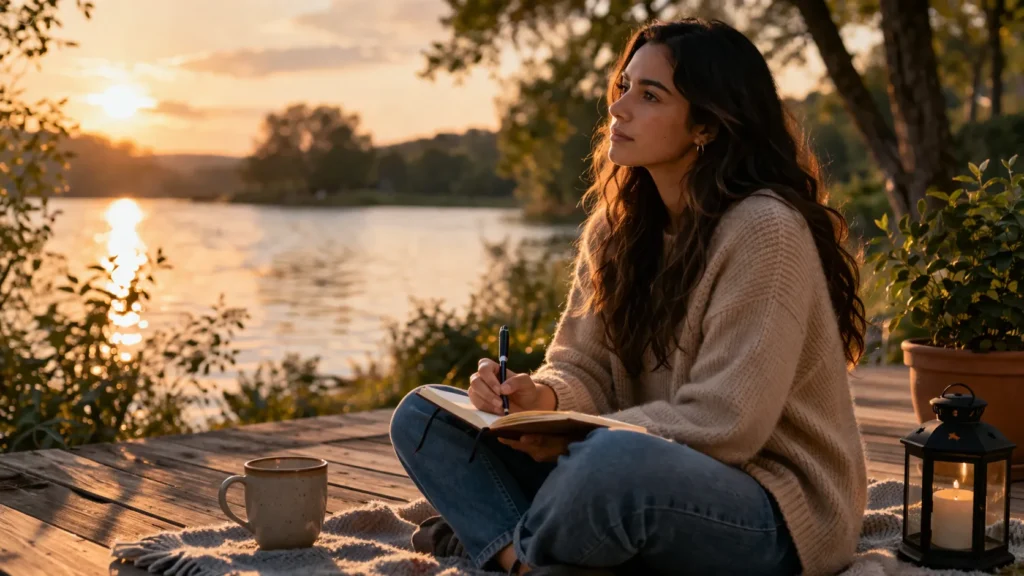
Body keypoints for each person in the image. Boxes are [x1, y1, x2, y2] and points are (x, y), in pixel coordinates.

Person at [390, 17, 868, 576]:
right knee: (425, 417)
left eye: (649, 95)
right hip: (626, 468)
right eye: (624, 87)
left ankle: (501, 540)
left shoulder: (765, 230)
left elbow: (727, 423)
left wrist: (576, 443)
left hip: (770, 510)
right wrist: (537, 401)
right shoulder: (615, 231)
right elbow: (581, 367)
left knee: (609, 465)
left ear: (707, 125)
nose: (618, 108)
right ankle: (525, 555)